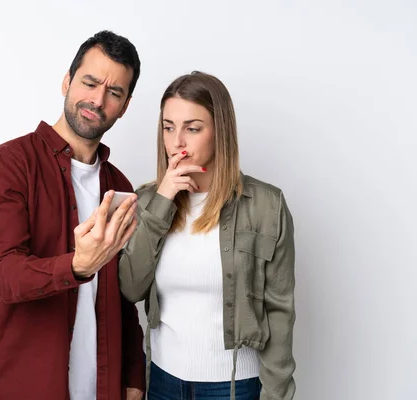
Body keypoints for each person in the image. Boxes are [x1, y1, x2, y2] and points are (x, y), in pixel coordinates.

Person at [0, 30, 145, 400]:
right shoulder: (10, 164)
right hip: (25, 387)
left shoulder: (119, 186)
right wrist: (78, 265)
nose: (98, 100)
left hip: (102, 388)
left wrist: (134, 376)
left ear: (125, 105)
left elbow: (123, 294)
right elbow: (3, 276)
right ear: (67, 81)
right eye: (89, 82)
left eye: (114, 92)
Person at [119, 71, 296, 400]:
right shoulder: (146, 201)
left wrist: (276, 395)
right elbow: (130, 289)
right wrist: (164, 198)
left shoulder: (266, 205)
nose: (177, 142)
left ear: (220, 132)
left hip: (234, 387)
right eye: (168, 127)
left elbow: (280, 312)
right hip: (162, 382)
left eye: (193, 128)